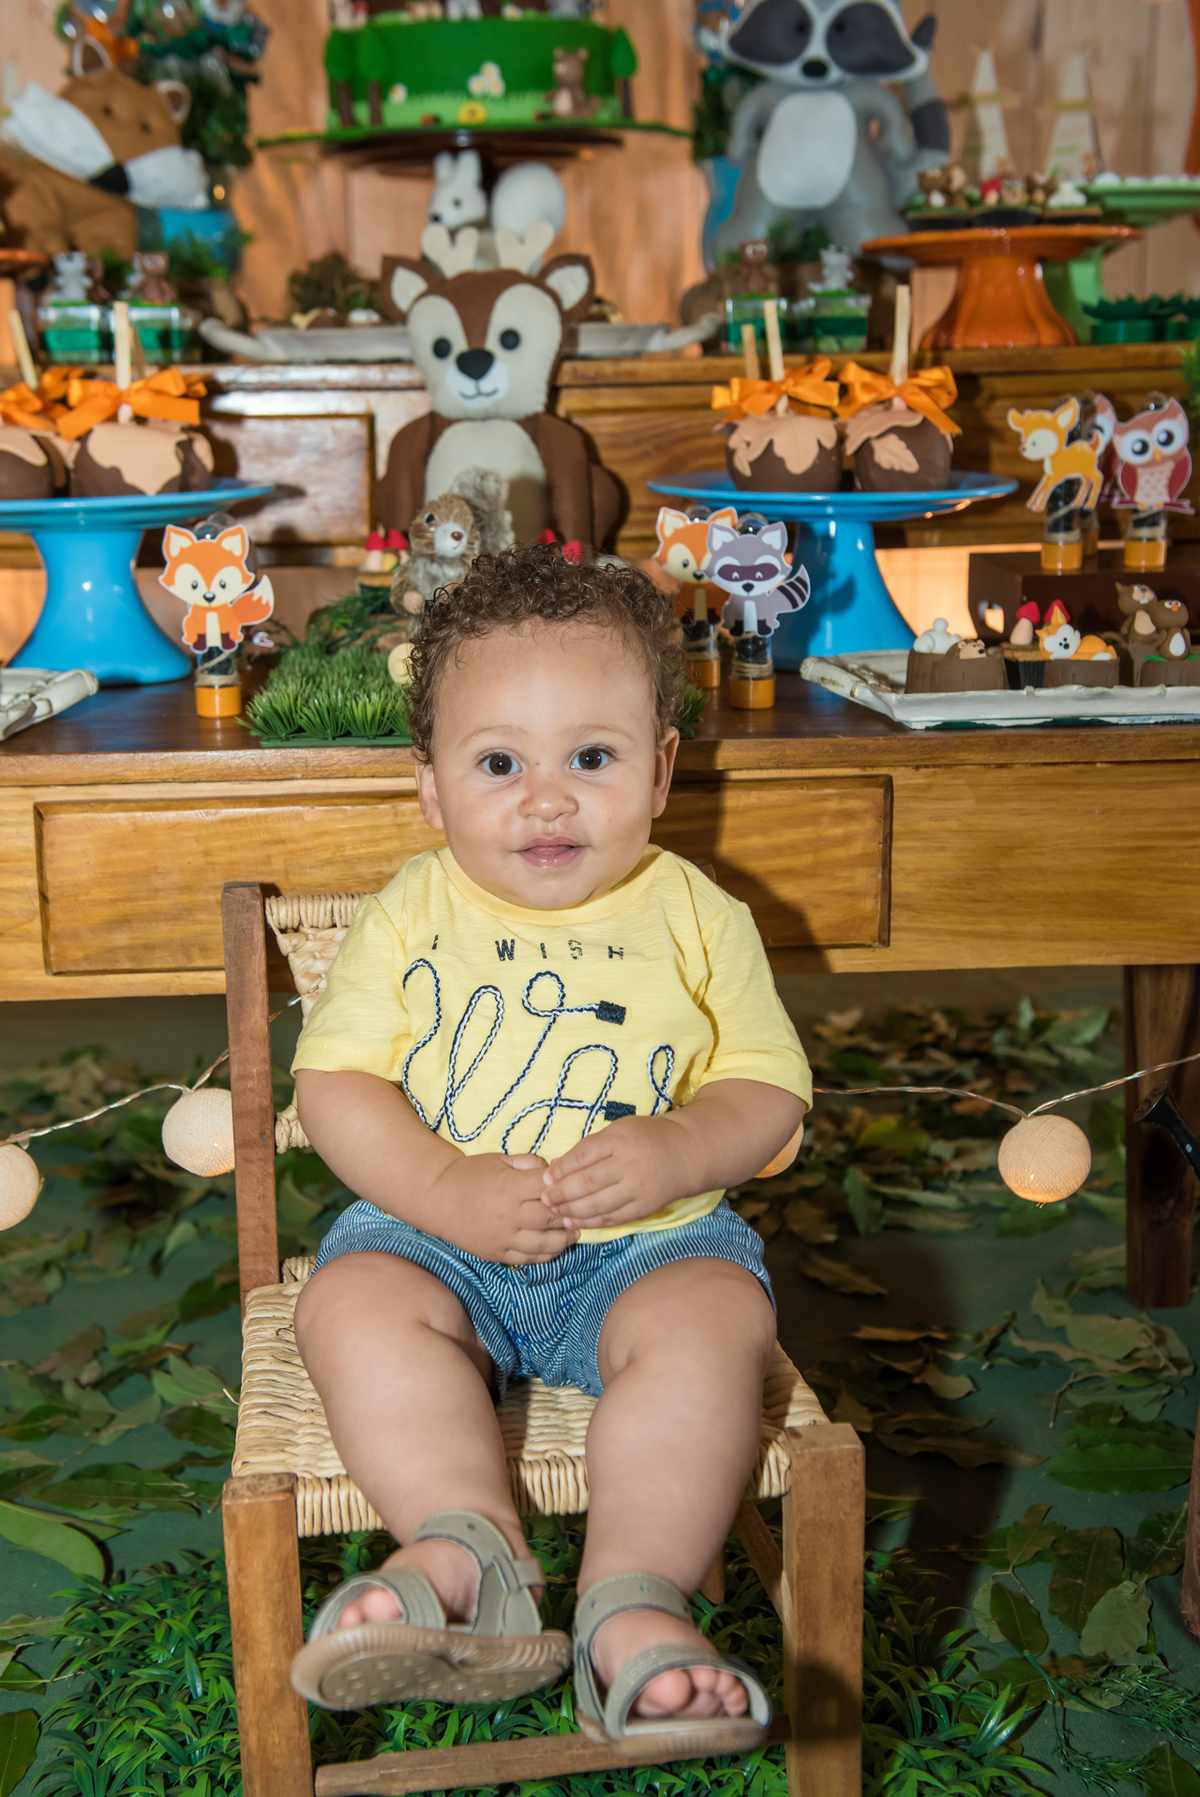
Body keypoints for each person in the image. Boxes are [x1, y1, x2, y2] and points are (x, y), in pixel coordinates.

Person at [287, 543, 811, 1751]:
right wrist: (442, 1188)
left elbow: (769, 1087)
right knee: (352, 1300)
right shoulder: (412, 908)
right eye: (498, 763)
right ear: (430, 789)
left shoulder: (696, 914)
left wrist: (682, 1150)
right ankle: (465, 1548)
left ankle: (635, 1602)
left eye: (591, 756)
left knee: (714, 1324)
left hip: (648, 1252)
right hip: (437, 1244)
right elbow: (336, 1083)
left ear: (662, 768)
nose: (548, 797)